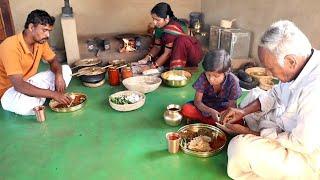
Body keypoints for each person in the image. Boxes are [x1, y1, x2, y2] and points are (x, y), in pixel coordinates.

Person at [220, 20, 320, 179]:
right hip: (285, 129)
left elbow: (301, 143)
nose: (269, 73)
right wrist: (242, 111)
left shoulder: (315, 90)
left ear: (291, 61)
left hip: (308, 157)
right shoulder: (301, 65)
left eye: (271, 68)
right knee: (253, 95)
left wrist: (250, 133)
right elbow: (274, 94)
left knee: (240, 148)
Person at [0, 9, 72, 116]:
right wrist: (53, 94)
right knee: (24, 107)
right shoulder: (9, 46)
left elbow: (53, 61)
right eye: (44, 30)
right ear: (31, 27)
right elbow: (19, 85)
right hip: (9, 91)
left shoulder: (40, 42)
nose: (47, 35)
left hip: (30, 82)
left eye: (49, 31)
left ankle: (40, 97)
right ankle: (43, 96)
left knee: (66, 70)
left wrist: (58, 75)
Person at [181, 49, 241, 125]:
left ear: (226, 72)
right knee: (186, 109)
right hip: (205, 106)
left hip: (223, 109)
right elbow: (197, 102)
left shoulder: (233, 81)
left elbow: (232, 106)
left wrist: (224, 116)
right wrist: (210, 111)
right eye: (208, 74)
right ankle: (215, 123)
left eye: (216, 76)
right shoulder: (203, 77)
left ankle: (205, 121)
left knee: (239, 120)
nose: (211, 79)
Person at [137, 2, 203, 70]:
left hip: (193, 55)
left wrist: (151, 67)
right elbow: (157, 46)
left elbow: (167, 54)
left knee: (180, 41)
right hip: (177, 53)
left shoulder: (171, 28)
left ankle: (177, 70)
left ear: (167, 18)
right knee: (163, 49)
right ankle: (166, 65)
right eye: (153, 19)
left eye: (157, 20)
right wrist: (146, 58)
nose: (154, 22)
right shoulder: (159, 28)